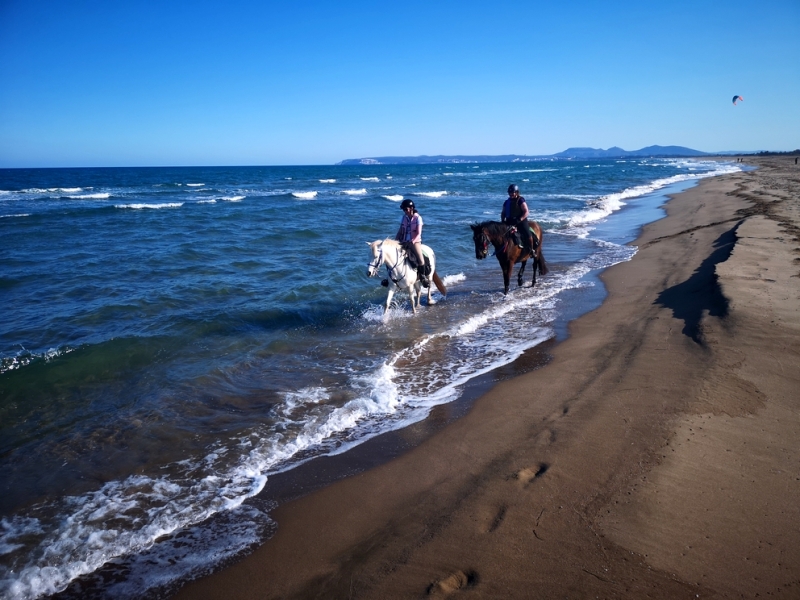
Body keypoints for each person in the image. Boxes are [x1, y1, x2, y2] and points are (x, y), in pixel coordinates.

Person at [396, 199, 429, 286]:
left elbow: (418, 233)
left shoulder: (418, 218)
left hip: (415, 242)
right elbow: (400, 231)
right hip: (403, 241)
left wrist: (412, 241)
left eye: (406, 209)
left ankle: (422, 277)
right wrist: (395, 241)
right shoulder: (404, 218)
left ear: (411, 208)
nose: (405, 211)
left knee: (421, 259)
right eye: (403, 210)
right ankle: (390, 278)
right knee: (393, 255)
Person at [501, 184, 533, 253]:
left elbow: (526, 212)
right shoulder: (506, 202)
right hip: (509, 221)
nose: (511, 194)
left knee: (527, 233)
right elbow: (503, 213)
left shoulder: (520, 200)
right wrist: (503, 220)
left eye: (512, 192)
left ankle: (531, 249)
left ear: (516, 192)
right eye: (510, 193)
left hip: (520, 220)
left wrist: (520, 219)